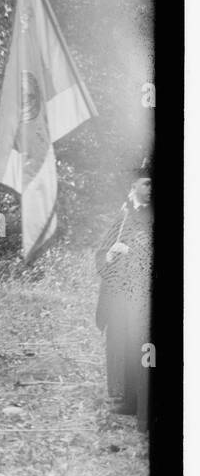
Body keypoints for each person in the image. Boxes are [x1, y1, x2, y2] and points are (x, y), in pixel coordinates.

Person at [94, 166, 152, 431]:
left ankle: (144, 405)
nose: (150, 190)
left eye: (152, 185)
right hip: (120, 296)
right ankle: (128, 400)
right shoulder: (123, 216)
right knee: (124, 346)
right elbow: (102, 253)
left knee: (144, 349)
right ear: (133, 189)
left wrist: (133, 250)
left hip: (143, 295)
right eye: (146, 184)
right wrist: (110, 255)